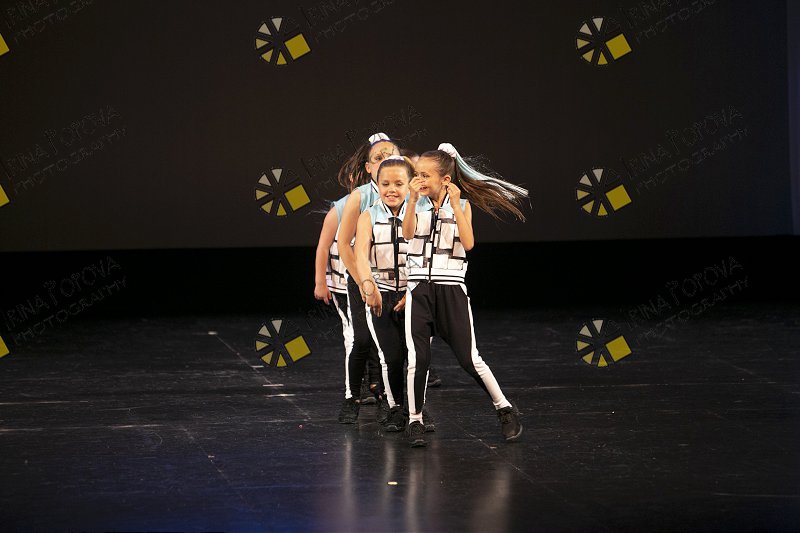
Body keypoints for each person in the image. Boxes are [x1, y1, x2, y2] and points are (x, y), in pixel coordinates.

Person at [401, 142, 529, 447]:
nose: (419, 179)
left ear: (445, 179)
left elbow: (468, 244)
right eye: (416, 174)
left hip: (451, 290)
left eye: (425, 175)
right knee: (418, 359)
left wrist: (456, 206)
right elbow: (407, 234)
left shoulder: (462, 205)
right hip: (418, 290)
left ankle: (504, 409)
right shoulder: (414, 203)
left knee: (470, 359)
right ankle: (415, 420)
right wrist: (411, 201)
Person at [353, 155, 436, 433]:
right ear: (377, 185)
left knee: (417, 358)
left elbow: (426, 255)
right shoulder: (368, 216)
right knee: (392, 357)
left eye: (399, 184)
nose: (391, 189)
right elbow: (360, 254)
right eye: (385, 183)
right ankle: (395, 407)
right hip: (382, 294)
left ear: (410, 184)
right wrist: (369, 286)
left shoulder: (421, 212)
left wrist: (413, 291)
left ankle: (417, 409)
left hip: (416, 295)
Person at [333, 133, 401, 424]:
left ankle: (393, 401)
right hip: (362, 277)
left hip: (396, 280)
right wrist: (363, 281)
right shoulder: (360, 196)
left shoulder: (410, 193)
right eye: (378, 158)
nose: (386, 160)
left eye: (391, 155)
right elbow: (343, 244)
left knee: (395, 345)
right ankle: (352, 398)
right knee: (361, 339)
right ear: (369, 167)